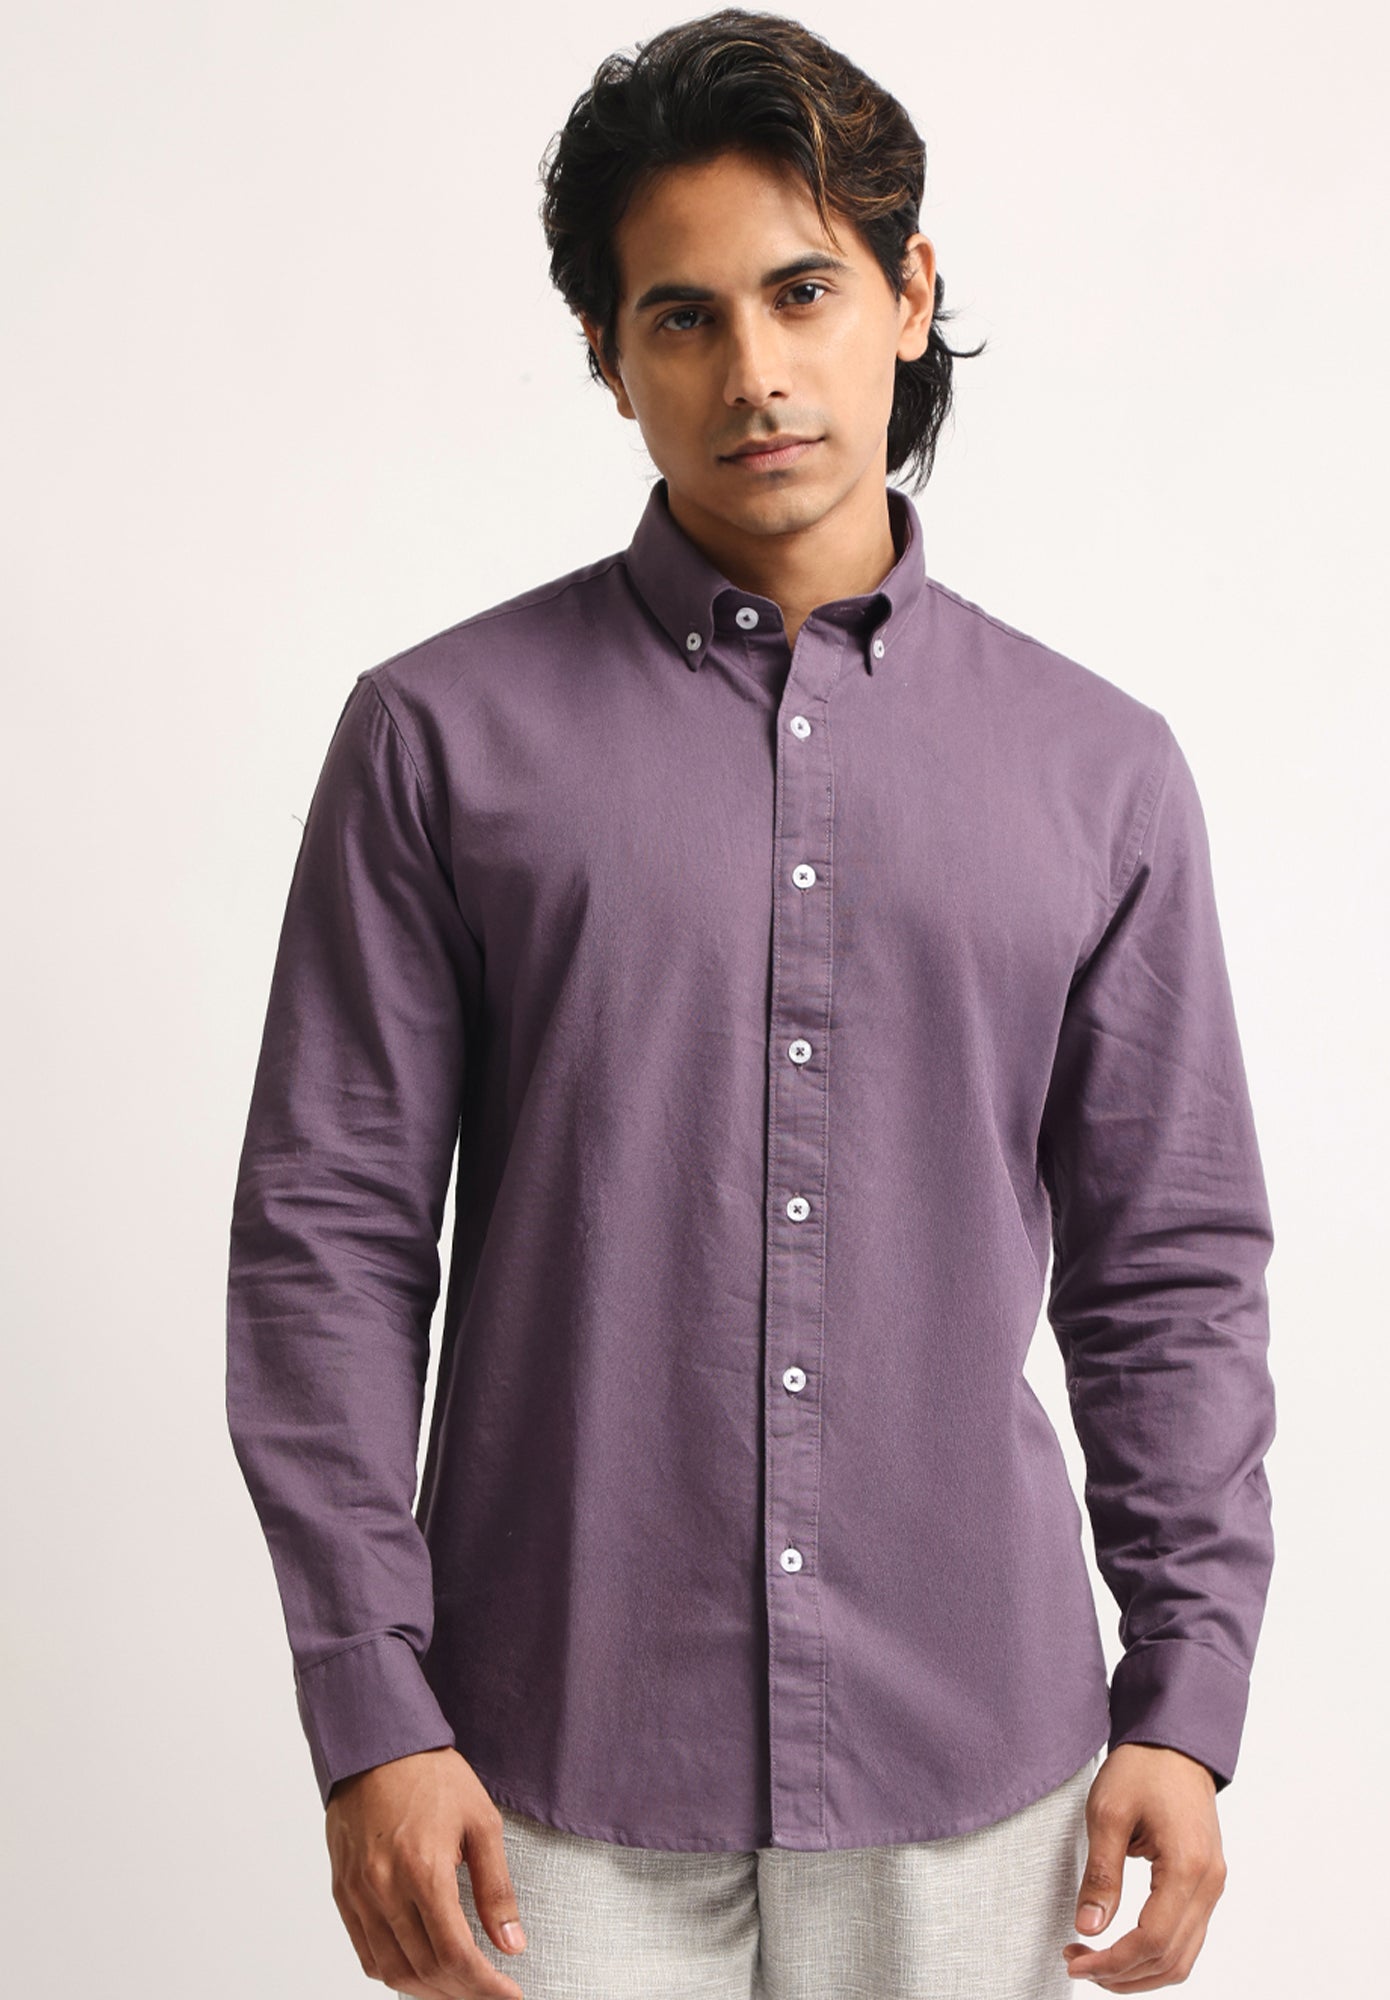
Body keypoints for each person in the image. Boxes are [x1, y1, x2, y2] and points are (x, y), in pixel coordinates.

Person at [225, 9, 1277, 1996]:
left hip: (978, 1777)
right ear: (609, 356)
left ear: (910, 293)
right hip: (536, 1775)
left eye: (803, 291)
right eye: (681, 317)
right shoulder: (438, 740)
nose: (755, 372)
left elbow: (1173, 1270)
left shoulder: (1101, 770)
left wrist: (1186, 1693)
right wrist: (370, 1708)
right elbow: (328, 1245)